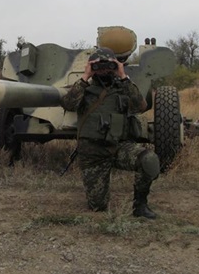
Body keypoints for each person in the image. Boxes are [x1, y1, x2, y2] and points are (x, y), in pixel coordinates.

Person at [60, 47, 160, 219]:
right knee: (97, 207)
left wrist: (123, 76)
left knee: (149, 160)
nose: (105, 70)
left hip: (118, 148)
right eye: (99, 65)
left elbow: (141, 106)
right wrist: (85, 76)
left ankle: (140, 206)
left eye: (109, 65)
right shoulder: (83, 89)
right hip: (93, 154)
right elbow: (68, 104)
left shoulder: (123, 88)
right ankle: (99, 196)